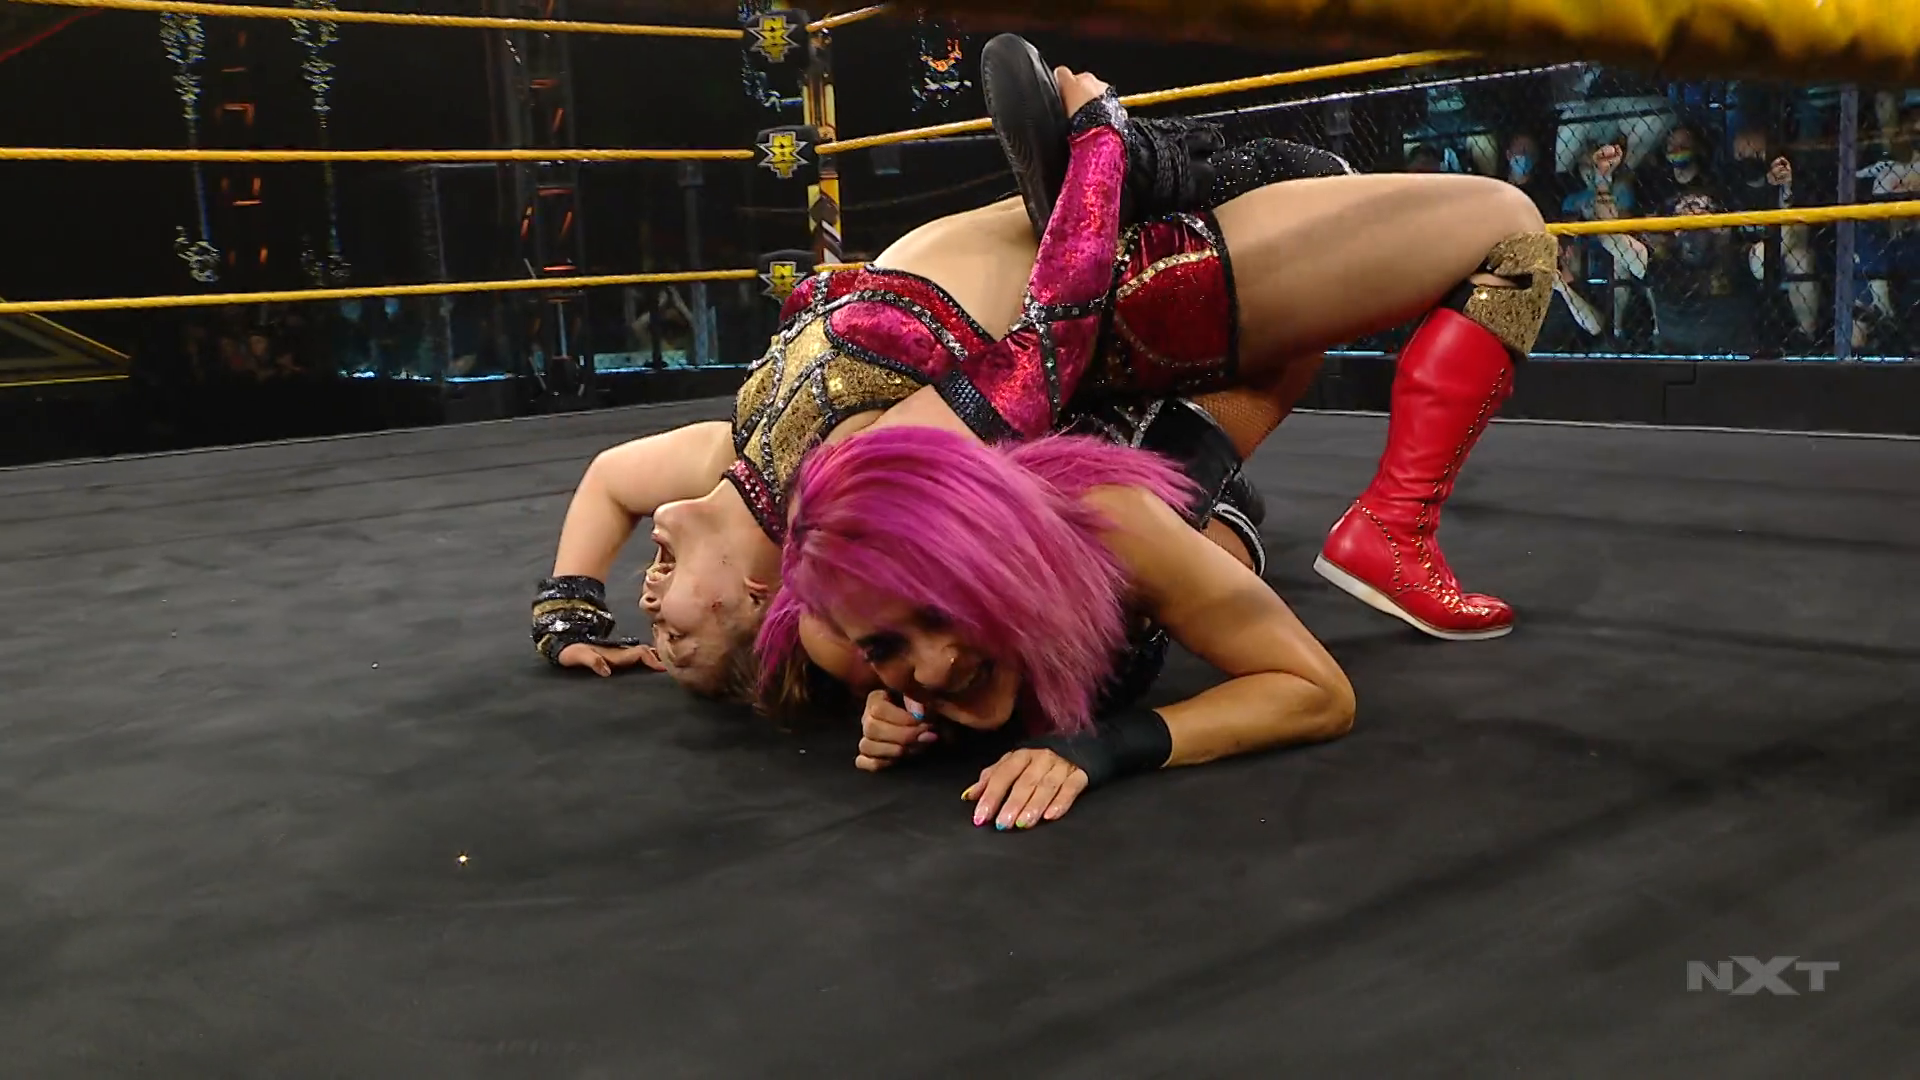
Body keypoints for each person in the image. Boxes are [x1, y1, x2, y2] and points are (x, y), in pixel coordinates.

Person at [531, 39, 1556, 702]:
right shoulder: (854, 482)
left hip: (1089, 264)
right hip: (1142, 288)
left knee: (1311, 222)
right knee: (1508, 236)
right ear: (761, 594)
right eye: (678, 630)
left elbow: (611, 479)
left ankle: (1198, 460)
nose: (649, 598)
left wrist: (569, 610)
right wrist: (1099, 146)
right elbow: (1047, 346)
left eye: (646, 602)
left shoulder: (744, 452)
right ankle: (1386, 527)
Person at [760, 424, 1355, 830]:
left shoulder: (1124, 532)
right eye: (886, 646)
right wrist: (905, 708)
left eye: (943, 611)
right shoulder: (836, 635)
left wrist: (1104, 745)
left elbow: (1316, 691)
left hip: (1178, 477)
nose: (934, 667)